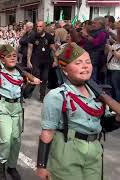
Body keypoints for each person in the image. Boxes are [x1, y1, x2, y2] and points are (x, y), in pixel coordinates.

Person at [36, 42, 120, 180]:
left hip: (94, 151)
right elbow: (47, 132)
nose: (85, 66)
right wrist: (41, 165)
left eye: (88, 62)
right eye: (78, 63)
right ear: (65, 70)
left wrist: (116, 119)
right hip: (68, 151)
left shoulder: (97, 95)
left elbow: (102, 125)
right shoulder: (57, 96)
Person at [0, 44, 40, 180]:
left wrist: (31, 84)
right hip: (3, 108)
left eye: (14, 56)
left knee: (16, 140)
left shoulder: (21, 73)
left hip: (17, 108)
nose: (12, 58)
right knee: (6, 139)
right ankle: (0, 164)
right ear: (2, 59)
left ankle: (11, 166)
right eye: (8, 56)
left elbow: (25, 95)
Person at [27, 21, 56, 102]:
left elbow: (53, 49)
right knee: (35, 78)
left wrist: (55, 60)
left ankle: (42, 96)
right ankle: (27, 92)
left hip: (46, 62)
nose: (38, 28)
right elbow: (30, 48)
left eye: (40, 26)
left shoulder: (49, 37)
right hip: (36, 61)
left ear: (44, 27)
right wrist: (28, 61)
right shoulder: (33, 36)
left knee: (44, 78)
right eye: (37, 26)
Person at [106, 24, 120, 102]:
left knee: (116, 89)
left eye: (118, 34)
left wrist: (111, 49)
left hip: (117, 70)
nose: (116, 35)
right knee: (111, 89)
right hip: (110, 69)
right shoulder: (115, 44)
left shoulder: (114, 45)